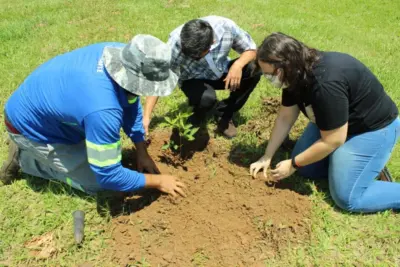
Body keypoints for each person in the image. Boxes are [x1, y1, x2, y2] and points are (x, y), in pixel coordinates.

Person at [0, 34, 186, 198]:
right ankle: (26, 160)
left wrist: (141, 150)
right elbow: (108, 175)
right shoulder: (103, 110)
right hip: (28, 126)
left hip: (50, 110)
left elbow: (131, 101)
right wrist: (158, 181)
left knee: (101, 153)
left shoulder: (122, 55)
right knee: (98, 185)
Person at [250, 32, 400, 213]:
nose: (268, 79)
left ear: (284, 67)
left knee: (348, 198)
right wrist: (267, 156)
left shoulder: (325, 84)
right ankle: (353, 166)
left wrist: (293, 164)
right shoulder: (295, 74)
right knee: (307, 169)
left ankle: (367, 166)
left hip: (371, 129)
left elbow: (333, 140)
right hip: (334, 124)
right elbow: (285, 117)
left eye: (269, 74)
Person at [143, 16, 261, 139]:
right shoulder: (175, 44)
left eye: (196, 56)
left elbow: (252, 50)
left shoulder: (226, 27)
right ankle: (198, 114)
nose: (191, 57)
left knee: (254, 69)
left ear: (212, 44)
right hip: (192, 77)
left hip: (222, 70)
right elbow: (158, 79)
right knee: (206, 99)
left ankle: (224, 113)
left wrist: (238, 65)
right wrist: (146, 117)